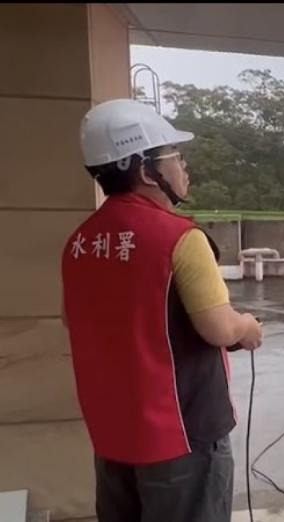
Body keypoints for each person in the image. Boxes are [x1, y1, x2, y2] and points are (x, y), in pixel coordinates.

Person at [60, 98, 263, 522]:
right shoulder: (179, 239)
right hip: (181, 436)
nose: (183, 167)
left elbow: (76, 320)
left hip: (113, 438)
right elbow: (218, 328)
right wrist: (247, 326)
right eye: (174, 157)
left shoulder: (80, 243)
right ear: (144, 169)